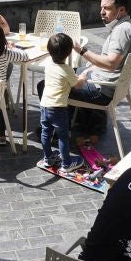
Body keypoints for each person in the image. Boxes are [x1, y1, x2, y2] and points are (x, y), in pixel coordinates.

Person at [64, 0, 131, 162]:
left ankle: (58, 131)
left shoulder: (121, 31)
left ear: (121, 10)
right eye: (101, 7)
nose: (101, 12)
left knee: (50, 84)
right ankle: (74, 124)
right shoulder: (125, 27)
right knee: (69, 74)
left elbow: (111, 63)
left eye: (106, 8)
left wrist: (82, 51)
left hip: (102, 90)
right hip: (111, 84)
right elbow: (112, 63)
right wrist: (91, 66)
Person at [38, 32, 84, 173]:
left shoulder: (49, 65)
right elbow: (77, 85)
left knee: (46, 133)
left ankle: (48, 158)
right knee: (63, 136)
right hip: (58, 108)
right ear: (69, 52)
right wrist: (83, 76)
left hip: (45, 105)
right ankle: (66, 164)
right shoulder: (67, 70)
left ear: (49, 50)